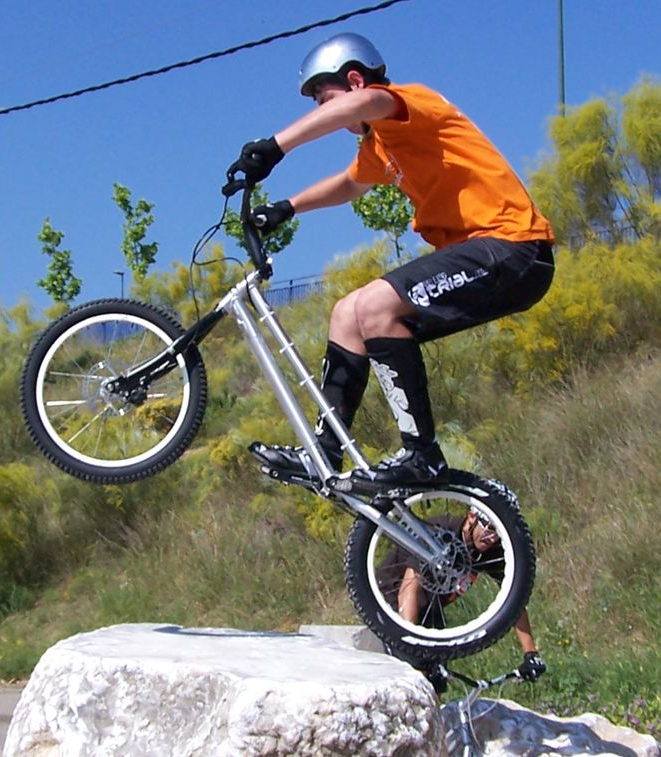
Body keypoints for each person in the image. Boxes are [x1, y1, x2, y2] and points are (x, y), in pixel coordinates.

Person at [228, 32, 555, 494]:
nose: (328, 114)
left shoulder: (407, 104)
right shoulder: (381, 146)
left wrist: (277, 145)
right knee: (348, 312)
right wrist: (286, 207)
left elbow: (359, 106)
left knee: (378, 306)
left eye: (324, 100)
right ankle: (326, 447)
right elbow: (349, 184)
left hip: (513, 247)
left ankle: (421, 455)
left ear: (356, 81)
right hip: (483, 255)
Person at [376, 510, 546, 693]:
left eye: (497, 532)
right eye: (488, 528)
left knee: (437, 681)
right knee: (415, 676)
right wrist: (410, 641)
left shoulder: (489, 549)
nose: (492, 538)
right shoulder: (440, 532)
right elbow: (408, 589)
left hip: (431, 608)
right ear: (471, 517)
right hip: (392, 598)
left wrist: (531, 652)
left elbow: (514, 601)